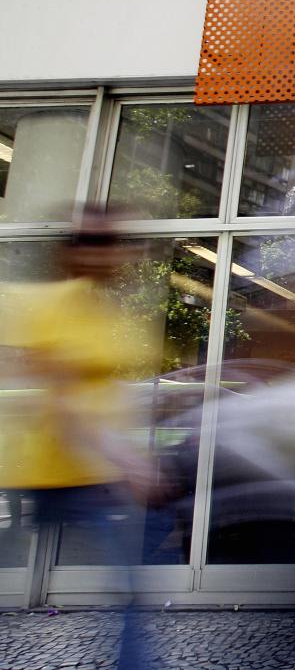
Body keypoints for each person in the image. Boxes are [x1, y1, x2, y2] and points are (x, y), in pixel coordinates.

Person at [0, 206, 156, 669]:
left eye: (112, 243)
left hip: (83, 465)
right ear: (73, 252)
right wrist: (128, 461)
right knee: (130, 583)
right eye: (94, 242)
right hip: (68, 465)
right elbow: (63, 397)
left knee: (130, 583)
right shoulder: (65, 303)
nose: (109, 254)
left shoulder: (96, 306)